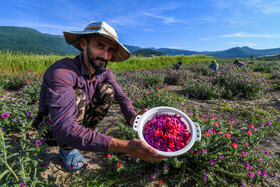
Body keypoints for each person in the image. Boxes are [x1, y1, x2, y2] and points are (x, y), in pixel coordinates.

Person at [32, 21, 167, 171]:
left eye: (110, 50)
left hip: (76, 122)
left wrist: (134, 118)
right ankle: (67, 150)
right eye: (100, 46)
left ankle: (87, 133)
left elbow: (121, 97)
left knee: (108, 90)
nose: (105, 55)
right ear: (84, 44)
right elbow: (63, 129)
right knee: (79, 95)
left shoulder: (103, 72)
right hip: (53, 131)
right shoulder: (63, 71)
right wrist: (126, 146)